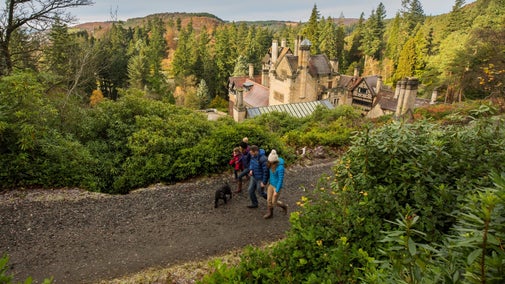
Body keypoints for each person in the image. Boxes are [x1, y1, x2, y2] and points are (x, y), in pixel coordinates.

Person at [263, 149, 288, 219]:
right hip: (271, 184)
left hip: (276, 186)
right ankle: (270, 213)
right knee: (268, 200)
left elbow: (280, 180)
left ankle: (284, 206)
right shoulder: (270, 164)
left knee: (274, 202)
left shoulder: (280, 168)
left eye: (271, 162)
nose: (269, 163)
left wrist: (276, 191)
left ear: (275, 162)